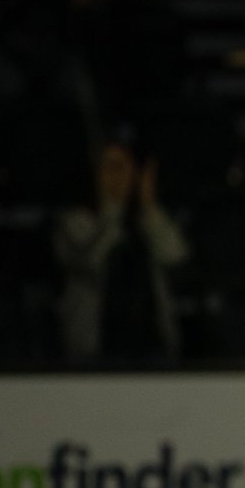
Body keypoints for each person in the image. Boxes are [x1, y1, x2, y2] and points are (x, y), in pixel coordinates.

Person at [53, 132, 190, 366]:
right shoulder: (74, 221)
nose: (117, 175)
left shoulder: (146, 220)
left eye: (125, 167)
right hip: (93, 349)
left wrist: (148, 206)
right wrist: (113, 207)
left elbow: (176, 256)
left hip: (152, 347)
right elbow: (94, 261)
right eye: (110, 167)